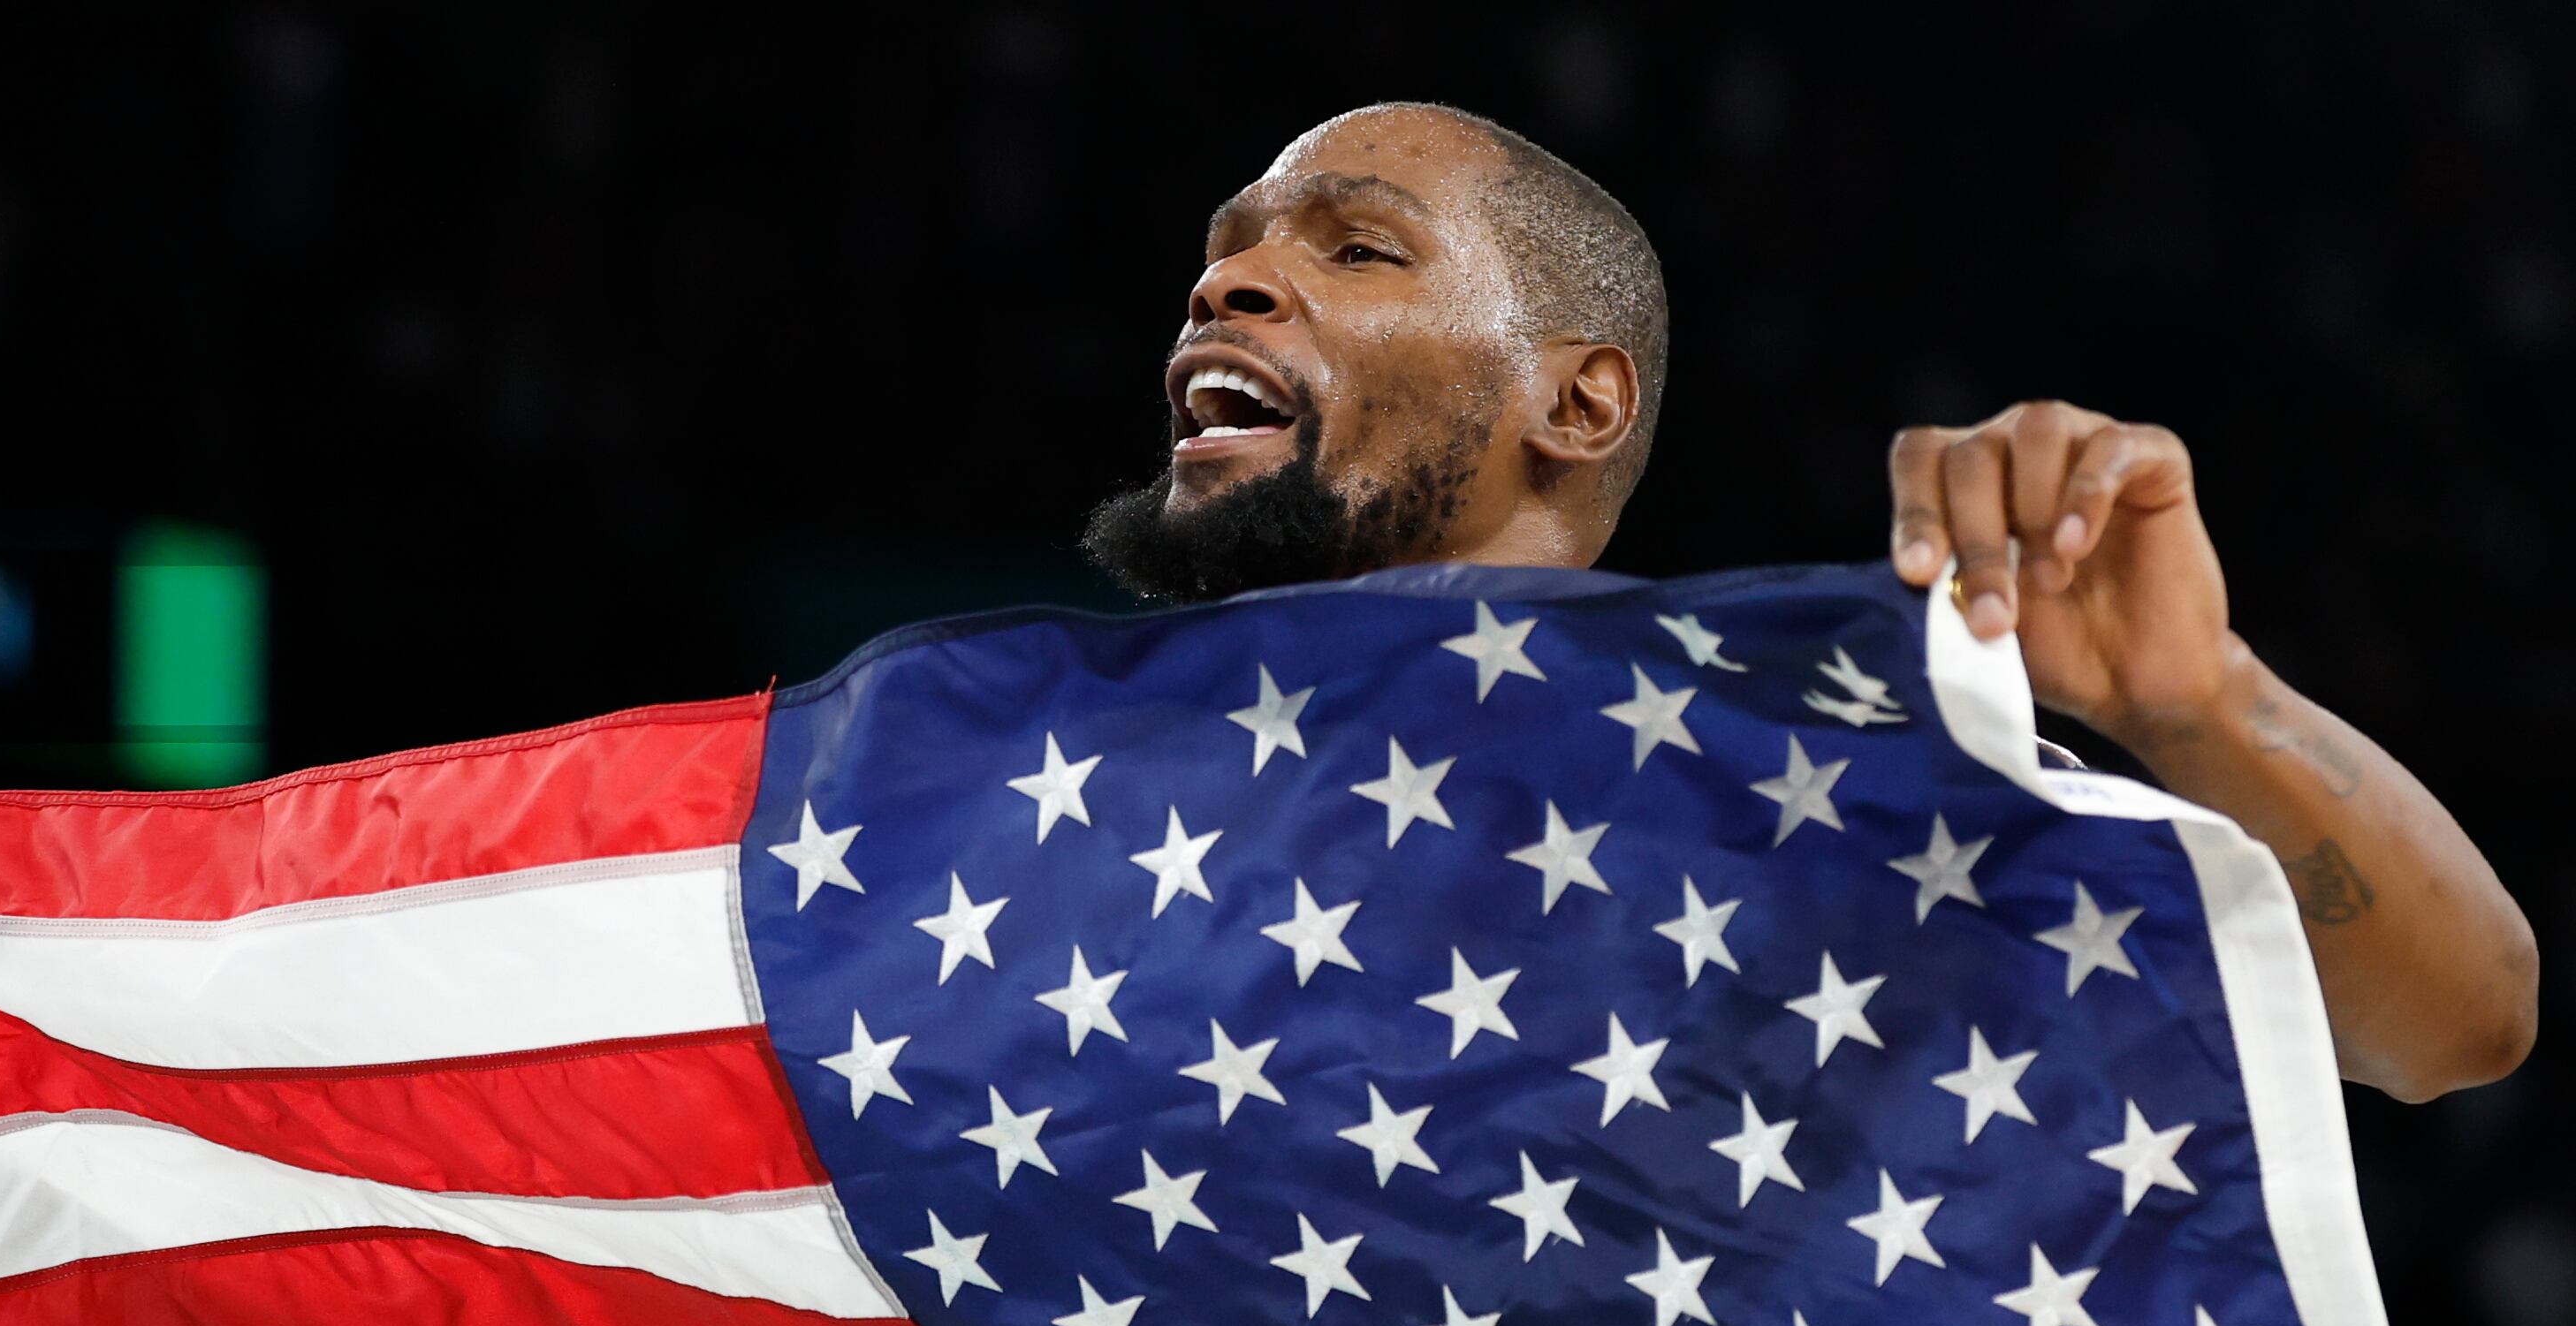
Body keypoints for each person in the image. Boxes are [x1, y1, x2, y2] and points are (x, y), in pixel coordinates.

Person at [1083, 102, 2534, 1103]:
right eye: (1229, 247)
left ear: (1576, 402)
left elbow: (2456, 1023)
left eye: (1355, 246)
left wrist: (2199, 699)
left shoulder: (1792, 792)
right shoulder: (1037, 803)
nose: (1231, 282)